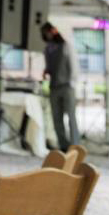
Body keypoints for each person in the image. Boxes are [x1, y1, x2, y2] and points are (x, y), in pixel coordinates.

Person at [41, 21, 79, 150]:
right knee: (56, 118)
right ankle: (64, 145)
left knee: (71, 117)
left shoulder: (66, 45)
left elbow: (73, 65)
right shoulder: (47, 49)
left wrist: (72, 82)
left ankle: (75, 145)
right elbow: (50, 67)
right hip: (54, 87)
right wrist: (46, 71)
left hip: (67, 86)